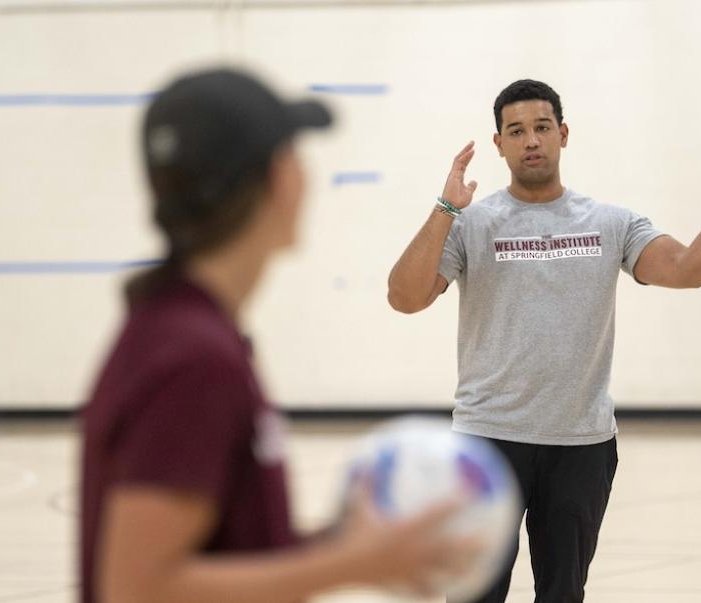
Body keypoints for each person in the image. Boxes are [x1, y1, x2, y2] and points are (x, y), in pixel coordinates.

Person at [79, 68, 471, 603]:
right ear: (278, 180)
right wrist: (349, 562)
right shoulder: (193, 359)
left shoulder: (178, 331)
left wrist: (345, 543)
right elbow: (136, 588)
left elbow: (222, 554)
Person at [387, 79, 701, 602]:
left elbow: (687, 270)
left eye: (542, 128)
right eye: (516, 131)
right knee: (472, 593)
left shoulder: (611, 223)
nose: (531, 141)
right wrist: (445, 209)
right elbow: (405, 298)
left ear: (563, 134)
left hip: (580, 445)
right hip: (487, 440)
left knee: (563, 594)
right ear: (498, 143)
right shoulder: (472, 224)